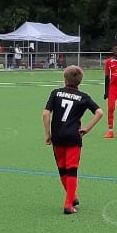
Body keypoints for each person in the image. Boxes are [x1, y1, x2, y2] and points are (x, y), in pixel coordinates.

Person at [44, 65, 103, 214]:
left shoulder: (56, 93)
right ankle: (69, 204)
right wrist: (87, 128)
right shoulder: (83, 97)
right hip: (73, 136)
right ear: (80, 81)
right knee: (72, 169)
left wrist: (47, 133)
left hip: (57, 135)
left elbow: (45, 114)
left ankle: (71, 197)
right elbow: (99, 112)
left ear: (65, 79)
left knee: (62, 168)